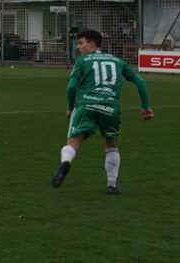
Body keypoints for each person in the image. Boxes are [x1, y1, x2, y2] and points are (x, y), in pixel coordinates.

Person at [52, 29, 153, 194]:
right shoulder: (118, 61)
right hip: (110, 107)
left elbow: (71, 87)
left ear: (92, 44)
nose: (79, 47)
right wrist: (145, 107)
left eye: (81, 43)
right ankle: (112, 185)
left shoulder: (83, 60)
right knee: (111, 145)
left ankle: (66, 162)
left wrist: (70, 108)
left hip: (86, 105)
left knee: (73, 141)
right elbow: (140, 81)